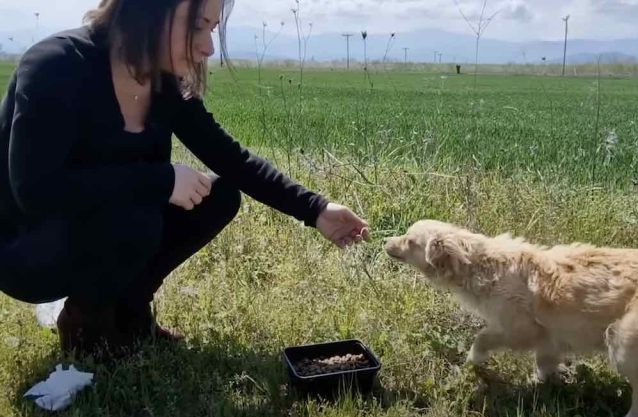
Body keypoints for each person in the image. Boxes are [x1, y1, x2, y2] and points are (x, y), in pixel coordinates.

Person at [0, 0, 370, 358]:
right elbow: (36, 191)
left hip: (104, 223)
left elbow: (231, 159)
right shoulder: (56, 66)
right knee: (139, 215)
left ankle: (129, 311)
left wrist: (316, 209)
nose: (208, 47)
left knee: (219, 196)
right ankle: (86, 324)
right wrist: (160, 181)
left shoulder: (163, 83)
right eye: (197, 26)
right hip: (28, 248)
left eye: (212, 28)